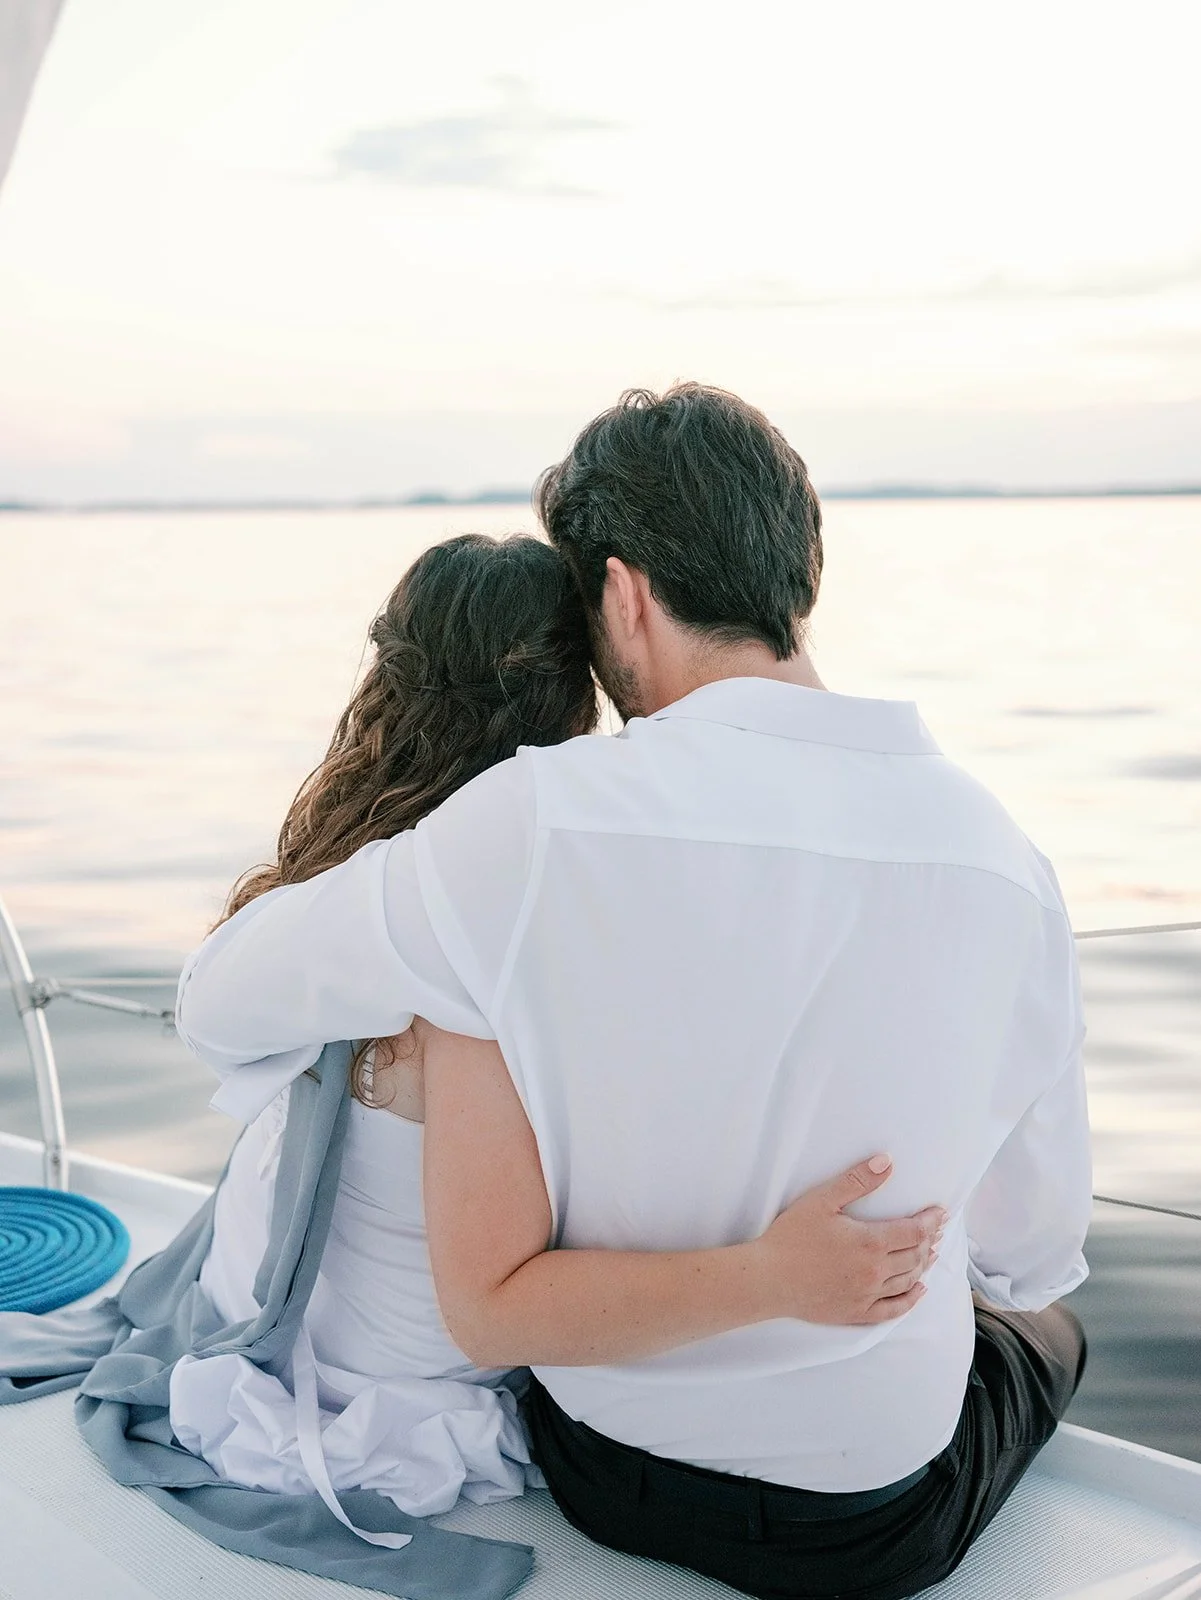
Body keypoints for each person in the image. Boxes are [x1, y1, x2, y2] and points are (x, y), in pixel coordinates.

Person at [177, 386, 1092, 1600]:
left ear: (622, 593)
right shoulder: (1004, 862)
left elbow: (221, 998)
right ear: (800, 574)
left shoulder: (527, 824)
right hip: (868, 1528)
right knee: (1047, 1326)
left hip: (601, 1469)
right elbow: (1030, 1256)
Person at [173, 529, 943, 1537]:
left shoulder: (345, 892)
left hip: (256, 1311)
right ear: (579, 694)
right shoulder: (515, 927)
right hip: (412, 1396)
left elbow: (208, 1003)